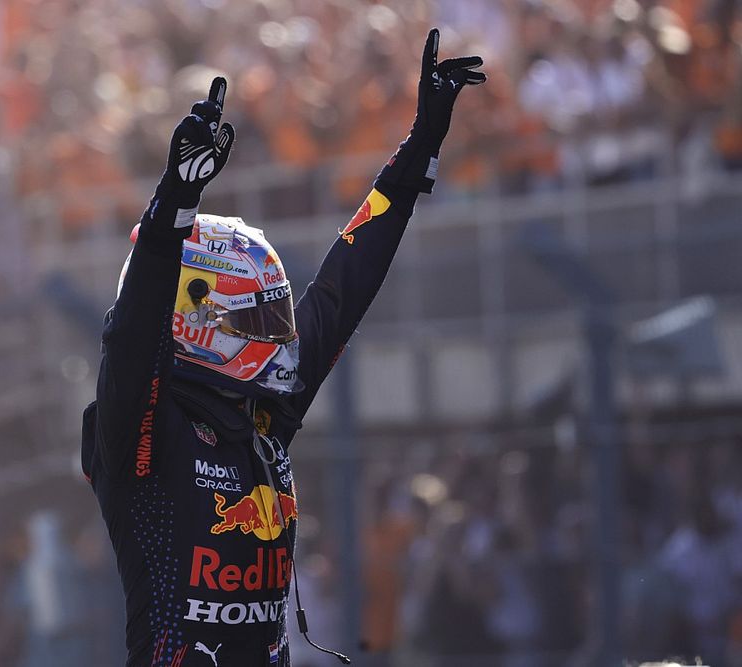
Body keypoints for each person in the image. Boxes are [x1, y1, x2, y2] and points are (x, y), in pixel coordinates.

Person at [82, 29, 486, 666]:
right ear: (197, 319)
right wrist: (174, 208)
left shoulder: (262, 415)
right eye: (258, 316)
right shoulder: (138, 428)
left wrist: (419, 148)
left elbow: (342, 290)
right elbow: (129, 340)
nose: (280, 335)